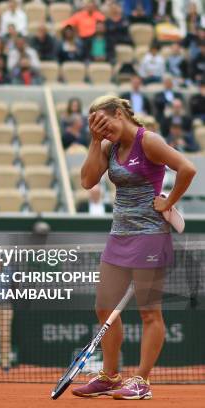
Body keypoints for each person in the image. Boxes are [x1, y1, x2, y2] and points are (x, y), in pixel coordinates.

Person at [74, 95, 196, 400]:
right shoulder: (107, 146)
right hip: (119, 235)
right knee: (104, 308)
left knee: (149, 312)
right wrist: (94, 140)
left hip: (150, 236)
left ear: (119, 114)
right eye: (96, 127)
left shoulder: (149, 141)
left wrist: (169, 201)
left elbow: (187, 168)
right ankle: (110, 377)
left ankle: (141, 381)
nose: (104, 131)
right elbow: (88, 181)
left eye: (105, 124)